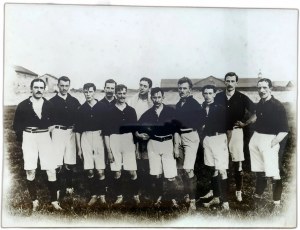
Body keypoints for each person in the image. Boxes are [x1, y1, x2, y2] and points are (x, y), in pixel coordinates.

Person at [13, 78, 63, 211]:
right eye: (36, 87)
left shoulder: (49, 105)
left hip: (44, 136)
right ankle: (34, 201)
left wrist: (44, 133)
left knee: (51, 169)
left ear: (44, 89)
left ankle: (54, 201)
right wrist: (25, 137)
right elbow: (16, 126)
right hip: (28, 136)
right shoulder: (23, 105)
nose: (39, 90)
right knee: (30, 169)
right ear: (31, 89)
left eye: (41, 87)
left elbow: (53, 123)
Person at [213, 72, 256, 202]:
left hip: (236, 132)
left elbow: (256, 113)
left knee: (238, 163)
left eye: (233, 81)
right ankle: (217, 192)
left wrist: (245, 123)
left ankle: (238, 191)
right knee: (218, 163)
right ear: (224, 82)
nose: (230, 83)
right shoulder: (218, 96)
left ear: (236, 83)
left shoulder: (242, 97)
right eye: (228, 81)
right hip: (220, 133)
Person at [249, 78, 288, 211]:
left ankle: (276, 204)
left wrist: (272, 143)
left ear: (270, 88)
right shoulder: (260, 103)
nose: (262, 90)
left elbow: (284, 130)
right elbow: (257, 117)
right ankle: (257, 199)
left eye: (265, 87)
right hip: (257, 139)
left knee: (273, 173)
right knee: (260, 173)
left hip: (270, 140)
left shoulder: (278, 106)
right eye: (259, 88)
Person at [138, 87, 180, 209]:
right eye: (154, 97)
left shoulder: (170, 111)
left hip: (168, 143)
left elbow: (176, 131)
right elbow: (137, 129)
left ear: (163, 97)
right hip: (153, 144)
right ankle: (158, 198)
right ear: (151, 98)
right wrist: (139, 135)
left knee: (170, 175)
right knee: (156, 174)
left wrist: (176, 147)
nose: (157, 100)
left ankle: (172, 199)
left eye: (159, 97)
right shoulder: (147, 114)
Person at [103, 84, 140, 205]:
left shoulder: (131, 111)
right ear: (115, 94)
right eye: (119, 93)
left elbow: (135, 131)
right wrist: (109, 151)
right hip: (114, 140)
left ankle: (135, 195)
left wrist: (137, 148)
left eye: (124, 93)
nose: (122, 96)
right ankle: (119, 196)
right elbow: (106, 133)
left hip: (128, 140)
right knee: (116, 171)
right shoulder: (109, 111)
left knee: (132, 171)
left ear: (126, 94)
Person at [174, 77, 205, 211]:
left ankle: (192, 201)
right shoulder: (178, 104)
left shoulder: (195, 104)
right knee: (181, 169)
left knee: (188, 169)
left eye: (184, 88)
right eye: (180, 88)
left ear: (190, 90)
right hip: (179, 136)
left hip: (191, 136)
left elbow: (202, 122)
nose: (182, 91)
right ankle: (187, 194)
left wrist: (193, 133)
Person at [75, 83, 107, 206]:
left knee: (100, 170)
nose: (88, 94)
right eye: (86, 92)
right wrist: (79, 149)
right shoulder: (81, 109)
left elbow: (106, 128)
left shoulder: (102, 107)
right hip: (86, 138)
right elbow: (78, 131)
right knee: (89, 170)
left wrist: (105, 144)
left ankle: (102, 195)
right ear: (83, 92)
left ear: (95, 92)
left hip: (99, 137)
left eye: (90, 91)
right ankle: (94, 195)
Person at [49, 76, 81, 198]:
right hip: (58, 131)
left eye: (66, 86)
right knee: (57, 162)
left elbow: (79, 117)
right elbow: (48, 119)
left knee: (70, 161)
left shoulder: (74, 101)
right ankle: (56, 188)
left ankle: (69, 186)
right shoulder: (51, 102)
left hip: (71, 133)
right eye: (62, 85)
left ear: (69, 86)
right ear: (58, 85)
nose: (64, 88)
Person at [201, 85, 230, 210]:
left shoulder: (221, 108)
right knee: (212, 169)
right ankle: (216, 198)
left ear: (214, 94)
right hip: (208, 139)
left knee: (222, 171)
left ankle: (225, 203)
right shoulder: (202, 107)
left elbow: (229, 127)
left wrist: (226, 143)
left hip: (219, 139)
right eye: (205, 93)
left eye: (210, 93)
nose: (207, 96)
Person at [127, 77, 153, 200]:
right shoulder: (132, 100)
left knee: (147, 162)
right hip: (135, 134)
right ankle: (135, 190)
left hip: (149, 136)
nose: (141, 88)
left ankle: (148, 189)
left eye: (145, 86)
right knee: (136, 161)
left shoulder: (152, 101)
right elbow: (129, 118)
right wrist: (136, 133)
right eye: (140, 85)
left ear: (149, 88)